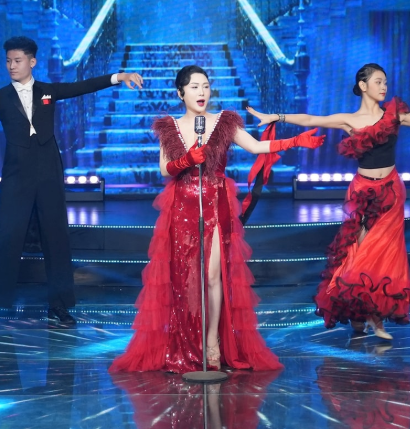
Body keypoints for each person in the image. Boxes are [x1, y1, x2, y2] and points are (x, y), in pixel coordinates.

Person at [248, 63, 410, 340]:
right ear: (363, 86)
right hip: (362, 192)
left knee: (383, 254)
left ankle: (376, 319)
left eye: (386, 82)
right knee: (359, 253)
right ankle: (358, 311)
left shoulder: (395, 115)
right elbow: (310, 119)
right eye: (378, 82)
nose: (384, 87)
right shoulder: (349, 120)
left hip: (391, 191)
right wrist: (276, 116)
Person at [110, 65, 323, 373]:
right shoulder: (169, 127)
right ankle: (186, 342)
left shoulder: (224, 122)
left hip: (215, 205)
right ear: (180, 93)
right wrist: (186, 160)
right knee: (185, 280)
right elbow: (164, 168)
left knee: (212, 277)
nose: (202, 92)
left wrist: (294, 142)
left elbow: (255, 146)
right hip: (182, 208)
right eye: (194, 87)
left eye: (206, 86)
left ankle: (212, 342)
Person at [0, 36, 144, 329]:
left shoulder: (48, 91)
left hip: (48, 172)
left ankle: (58, 305)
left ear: (32, 62)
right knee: (4, 237)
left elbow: (83, 86)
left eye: (17, 60)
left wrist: (119, 77)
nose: (11, 66)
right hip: (16, 174)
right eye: (8, 61)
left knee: (56, 237)